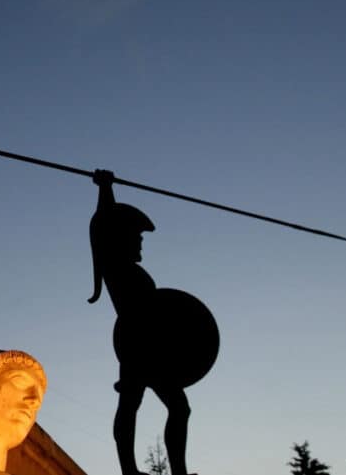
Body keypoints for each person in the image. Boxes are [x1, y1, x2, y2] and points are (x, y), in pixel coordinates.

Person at [88, 169, 197, 475]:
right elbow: (106, 221)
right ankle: (130, 470)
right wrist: (105, 188)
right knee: (133, 405)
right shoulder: (115, 266)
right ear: (121, 238)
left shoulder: (133, 270)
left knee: (175, 407)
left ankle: (177, 471)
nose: (140, 243)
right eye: (136, 237)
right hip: (136, 343)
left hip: (153, 346)